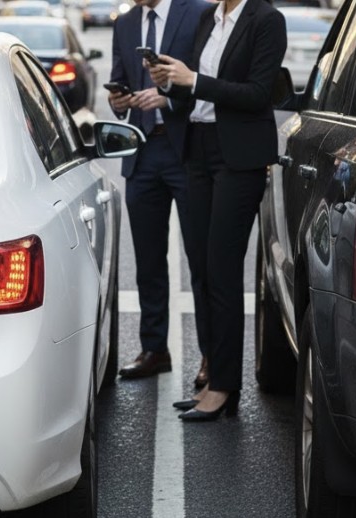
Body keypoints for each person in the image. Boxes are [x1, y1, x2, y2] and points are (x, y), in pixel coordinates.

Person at [149, 0, 286, 420]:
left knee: (223, 271)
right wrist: (170, 81)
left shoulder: (266, 20)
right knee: (204, 271)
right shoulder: (210, 18)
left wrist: (196, 80)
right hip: (199, 150)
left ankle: (225, 386)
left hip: (239, 158)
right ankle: (213, 377)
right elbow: (193, 87)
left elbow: (259, 94)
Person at [109, 0, 213, 384]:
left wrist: (168, 98)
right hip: (142, 155)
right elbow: (118, 78)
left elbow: (208, 78)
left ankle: (210, 356)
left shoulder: (198, 13)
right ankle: (154, 350)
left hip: (186, 150)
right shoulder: (126, 23)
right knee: (148, 261)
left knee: (201, 260)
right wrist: (118, 101)